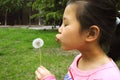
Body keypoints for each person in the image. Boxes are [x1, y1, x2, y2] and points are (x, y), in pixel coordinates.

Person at [35, 0, 120, 80]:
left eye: (66, 24)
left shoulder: (109, 76)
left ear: (91, 34)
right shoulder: (79, 59)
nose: (60, 30)